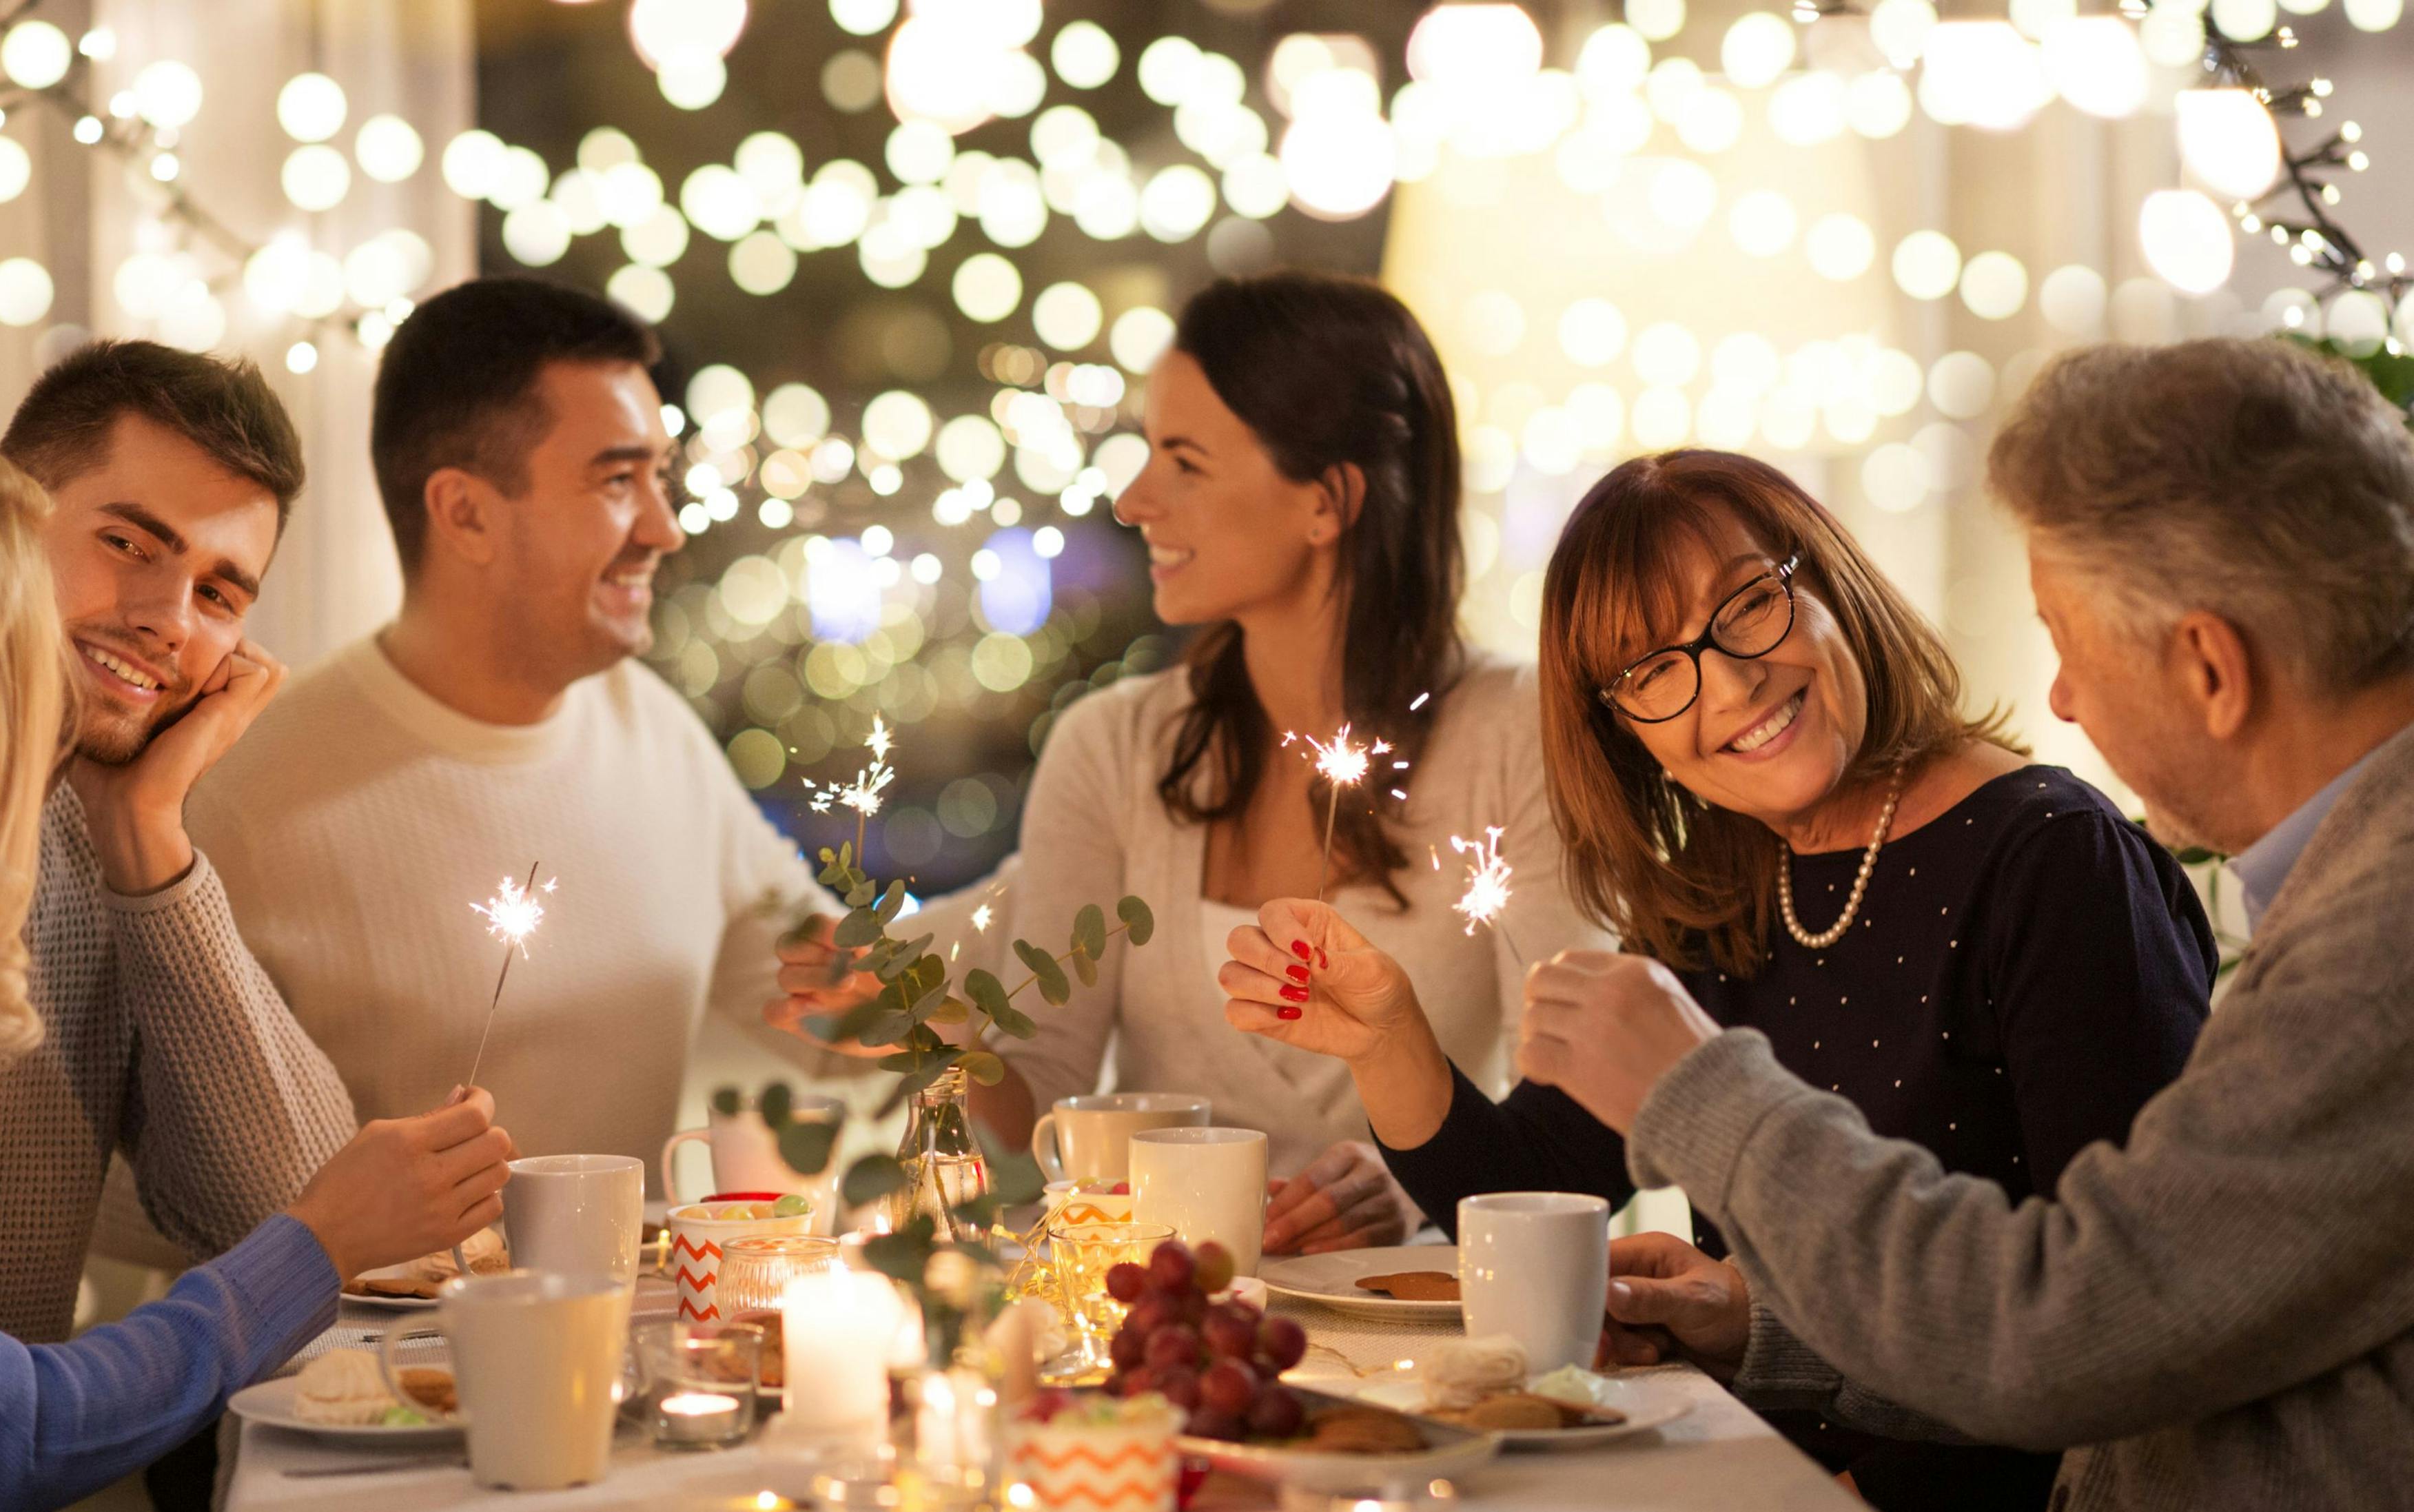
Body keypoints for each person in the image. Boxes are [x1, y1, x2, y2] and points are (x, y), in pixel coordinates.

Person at [1515, 340, 2414, 1509]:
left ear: (2208, 668)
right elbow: (2137, 1320)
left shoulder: (2375, 955)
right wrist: (1758, 1323)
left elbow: (2075, 1340)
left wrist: (1702, 1099)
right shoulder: (2352, 890)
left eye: (2069, 643)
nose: (2062, 702)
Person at [1223, 449, 2213, 1507]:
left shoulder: (2057, 861)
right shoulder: (1721, 891)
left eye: (1748, 604)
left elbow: (2120, 1328)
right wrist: (1389, 1038)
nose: (1730, 681)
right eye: (1651, 671)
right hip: (1748, 1466)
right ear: (1627, 734)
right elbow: (1529, 1197)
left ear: (1828, 578)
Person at [772, 270, 1598, 1255]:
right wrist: (940, 1037)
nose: (1133, 499)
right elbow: (1045, 1117)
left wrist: (1412, 1181)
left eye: (1185, 460)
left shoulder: (1519, 733)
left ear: (1327, 501)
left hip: (1417, 1334)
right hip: (1159, 1311)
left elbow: (1574, 1113)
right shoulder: (1113, 749)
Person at [0, 449, 513, 1512]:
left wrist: (147, 832)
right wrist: (322, 1237)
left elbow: (289, 1200)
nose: (166, 626)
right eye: (124, 543)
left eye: (217, 592)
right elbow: (5, 1436)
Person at [188, 278, 879, 1168]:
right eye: (619, 480)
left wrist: (1050, 890)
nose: (665, 528)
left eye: (660, 479)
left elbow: (837, 1004)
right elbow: (160, 1189)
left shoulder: (656, 737)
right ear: (466, 512)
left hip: (627, 1308)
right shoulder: (249, 796)